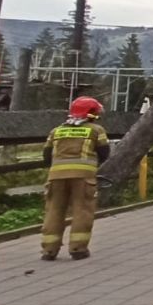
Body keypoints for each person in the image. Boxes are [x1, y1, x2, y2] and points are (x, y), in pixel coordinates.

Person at [39, 96, 110, 261]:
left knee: (54, 211)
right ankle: (78, 249)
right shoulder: (96, 130)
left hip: (56, 177)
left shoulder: (56, 131)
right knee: (82, 211)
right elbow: (104, 153)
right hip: (83, 177)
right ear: (92, 113)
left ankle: (49, 250)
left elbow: (46, 156)